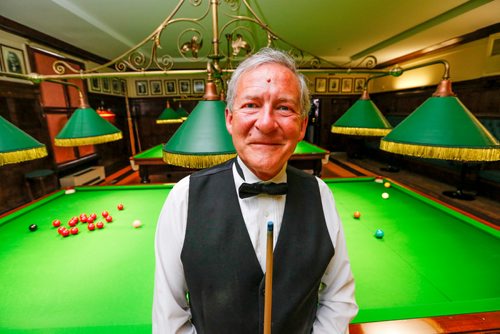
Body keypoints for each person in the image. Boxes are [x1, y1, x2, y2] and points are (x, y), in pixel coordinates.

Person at [153, 48, 358, 333]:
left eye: (284, 107)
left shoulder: (320, 194)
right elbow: (169, 317)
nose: (265, 123)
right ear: (229, 119)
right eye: (251, 105)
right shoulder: (183, 197)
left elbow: (338, 298)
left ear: (301, 126)